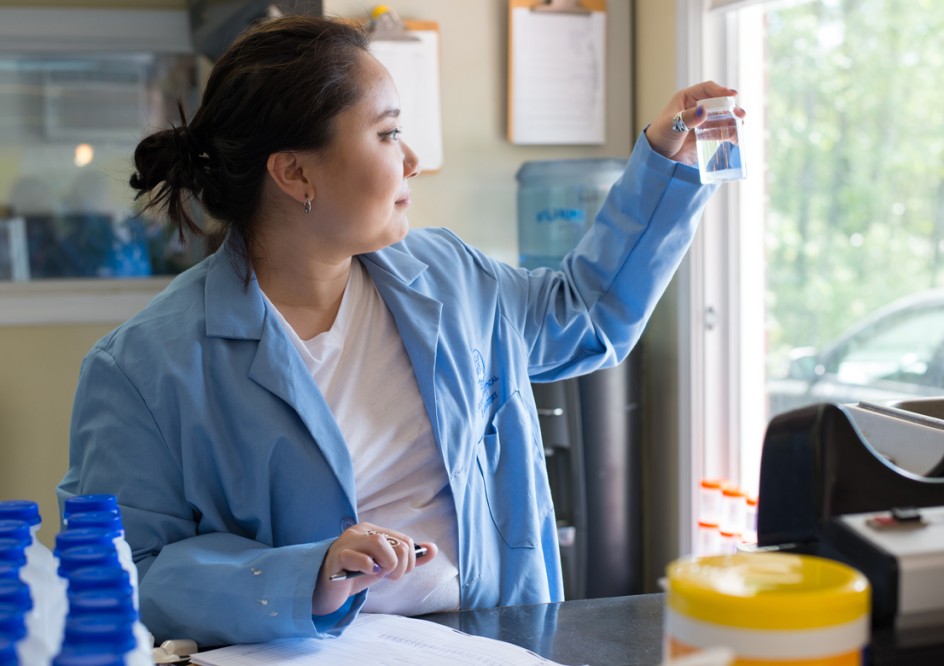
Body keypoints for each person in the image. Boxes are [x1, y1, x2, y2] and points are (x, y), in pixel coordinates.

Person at [57, 15, 741, 648]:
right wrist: (307, 575)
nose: (411, 159)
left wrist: (664, 161)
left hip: (492, 643)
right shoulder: (142, 368)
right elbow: (128, 570)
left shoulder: (445, 275)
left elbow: (586, 317)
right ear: (295, 172)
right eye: (386, 134)